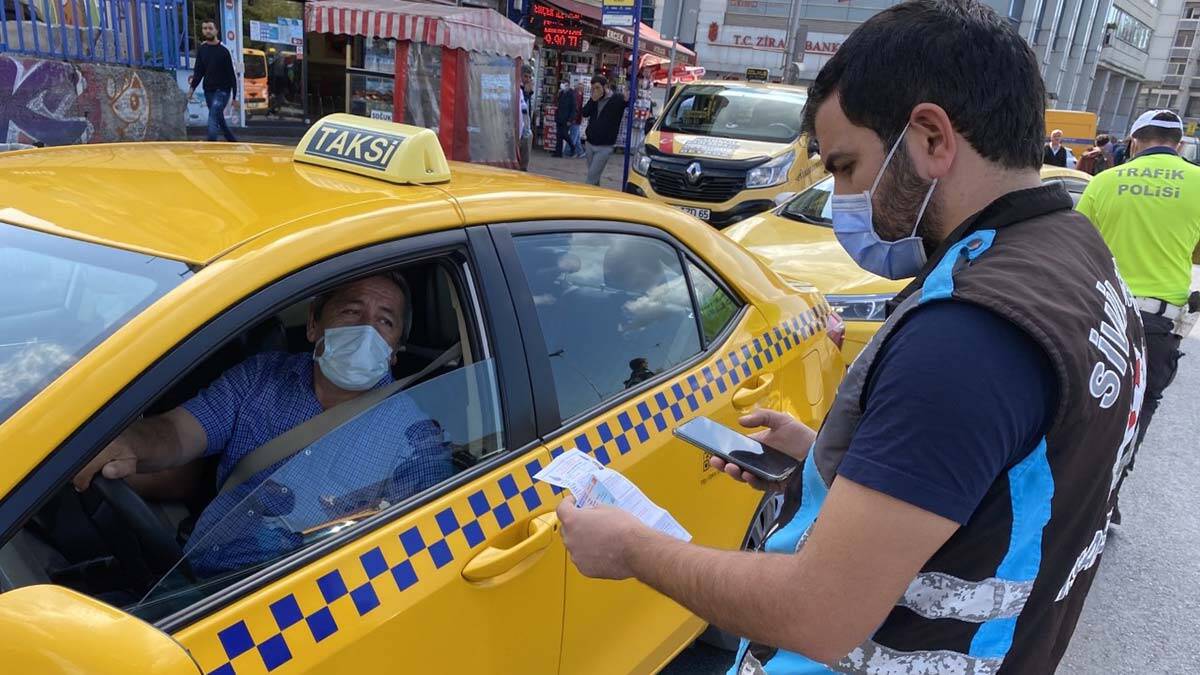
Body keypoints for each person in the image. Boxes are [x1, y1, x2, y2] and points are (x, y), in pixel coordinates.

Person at [555, 2, 1145, 673]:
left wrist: (633, 549)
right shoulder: (1073, 253)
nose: (840, 199)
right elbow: (985, 477)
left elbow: (818, 612)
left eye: (845, 166)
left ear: (930, 138)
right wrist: (826, 459)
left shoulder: (969, 336)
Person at [73, 275, 453, 575]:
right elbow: (177, 432)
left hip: (293, 602)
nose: (366, 330)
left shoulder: (415, 442)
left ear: (393, 354)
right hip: (195, 571)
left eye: (384, 322)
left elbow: (423, 555)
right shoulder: (260, 377)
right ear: (313, 327)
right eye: (351, 312)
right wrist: (131, 442)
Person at [1076, 109, 1200, 520]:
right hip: (1159, 321)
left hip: (1100, 313)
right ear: (1178, 145)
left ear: (1133, 141)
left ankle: (1064, 494)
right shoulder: (1198, 184)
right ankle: (1105, 500)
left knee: (1083, 405)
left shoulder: (1105, 182)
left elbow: (1074, 246)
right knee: (1140, 407)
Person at [188, 19, 238, 142]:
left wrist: (235, 97)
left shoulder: (224, 51)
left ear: (216, 30)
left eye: (210, 28)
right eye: (205, 28)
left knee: (213, 116)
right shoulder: (202, 49)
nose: (207, 31)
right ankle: (233, 141)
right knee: (218, 117)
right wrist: (191, 89)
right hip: (208, 90)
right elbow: (199, 72)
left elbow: (232, 75)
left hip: (223, 91)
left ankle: (211, 141)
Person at [581, 74, 627, 185]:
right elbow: (585, 113)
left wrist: (629, 96)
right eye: (593, 88)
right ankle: (595, 199)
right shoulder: (594, 100)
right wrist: (592, 100)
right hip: (590, 144)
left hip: (605, 146)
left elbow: (628, 102)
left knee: (591, 178)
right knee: (595, 177)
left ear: (605, 86)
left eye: (598, 88)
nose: (595, 91)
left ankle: (586, 199)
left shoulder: (617, 99)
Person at [554, 81, 579, 157]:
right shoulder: (561, 93)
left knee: (564, 134)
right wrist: (558, 94)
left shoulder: (571, 94)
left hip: (566, 118)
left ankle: (573, 147)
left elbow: (573, 108)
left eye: (564, 84)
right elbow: (557, 103)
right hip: (559, 117)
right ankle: (558, 153)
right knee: (559, 135)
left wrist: (570, 119)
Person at [518, 65, 535, 171]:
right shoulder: (519, 89)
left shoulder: (528, 91)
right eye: (525, 76)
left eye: (529, 77)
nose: (527, 79)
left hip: (526, 126)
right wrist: (525, 93)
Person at [571, 83, 586, 158]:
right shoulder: (578, 96)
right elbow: (577, 108)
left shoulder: (576, 95)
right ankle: (570, 151)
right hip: (576, 119)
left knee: (576, 137)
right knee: (574, 136)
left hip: (576, 119)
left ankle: (580, 152)